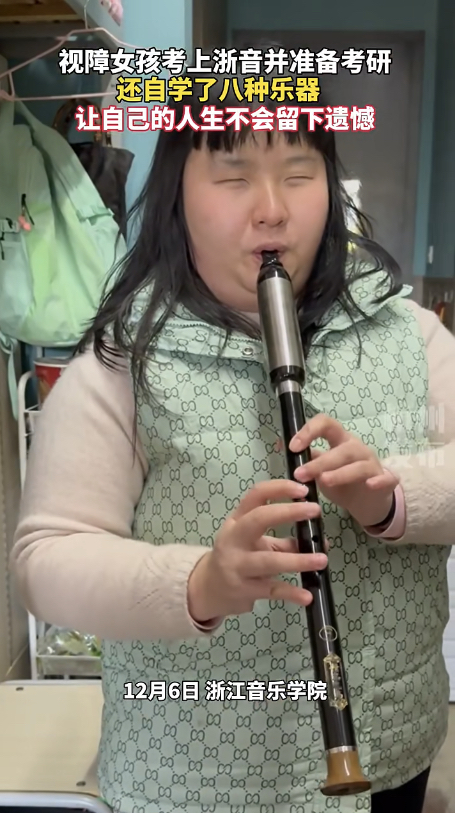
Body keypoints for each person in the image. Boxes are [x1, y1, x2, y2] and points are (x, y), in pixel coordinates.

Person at [11, 57, 455, 813]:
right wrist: (199, 583)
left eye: (298, 173)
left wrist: (392, 497)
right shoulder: (122, 361)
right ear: (176, 197)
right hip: (193, 777)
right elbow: (45, 558)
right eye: (233, 176)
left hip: (388, 750)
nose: (272, 210)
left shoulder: (407, 333)